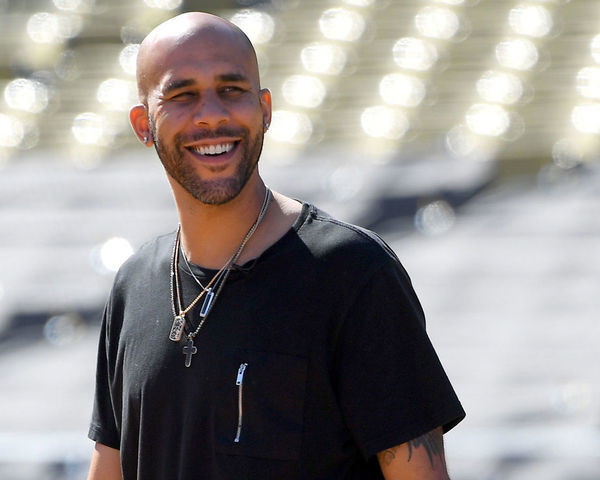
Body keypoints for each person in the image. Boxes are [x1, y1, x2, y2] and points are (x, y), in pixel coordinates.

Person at [86, 11, 465, 480]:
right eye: (182, 95)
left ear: (265, 110)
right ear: (143, 124)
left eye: (231, 90)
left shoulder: (351, 273)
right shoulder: (134, 284)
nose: (211, 113)